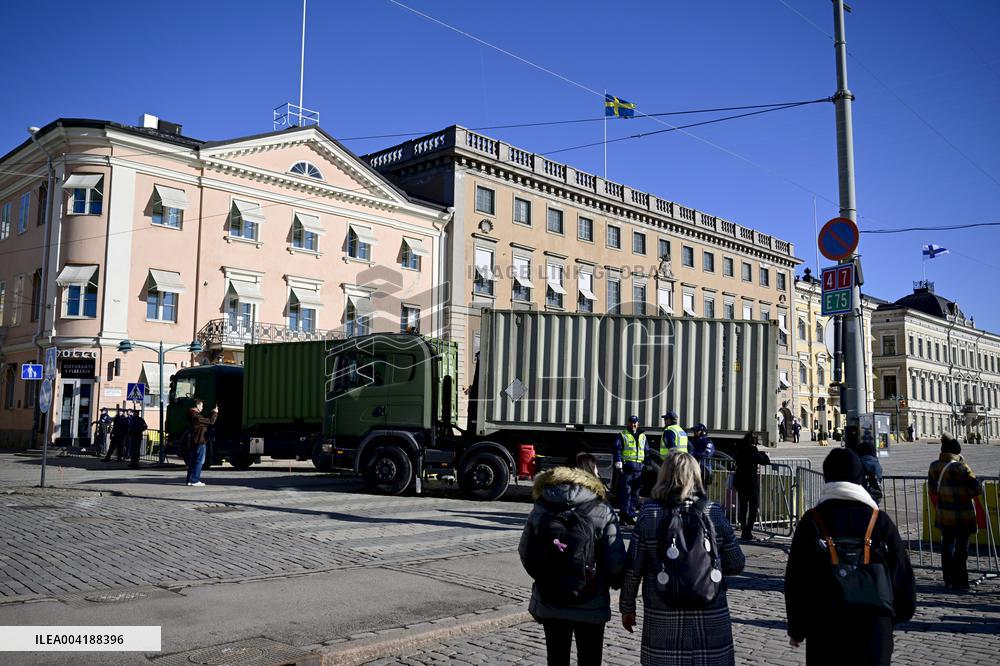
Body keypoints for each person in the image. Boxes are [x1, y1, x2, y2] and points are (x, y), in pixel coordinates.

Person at [785, 448, 916, 665]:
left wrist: (797, 629)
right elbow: (902, 575)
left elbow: (796, 580)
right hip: (874, 627)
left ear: (827, 478)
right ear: (859, 478)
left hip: (826, 627)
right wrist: (892, 618)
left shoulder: (812, 520)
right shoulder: (879, 520)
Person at [620, 452, 745, 666]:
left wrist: (627, 607)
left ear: (664, 476)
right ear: (696, 476)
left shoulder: (650, 513)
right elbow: (736, 563)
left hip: (663, 617)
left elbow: (634, 568)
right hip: (710, 618)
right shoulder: (713, 512)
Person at [519, 455, 626, 666]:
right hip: (591, 600)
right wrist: (611, 582)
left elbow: (526, 553)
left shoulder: (541, 506)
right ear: (589, 474)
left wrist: (547, 577)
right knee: (590, 659)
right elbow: (616, 562)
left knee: (556, 659)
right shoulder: (602, 509)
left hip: (551, 599)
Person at [928, 434, 983, 591]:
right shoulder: (962, 467)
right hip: (962, 516)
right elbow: (976, 489)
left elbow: (932, 489)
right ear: (957, 452)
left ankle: (948, 578)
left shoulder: (934, 466)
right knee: (961, 549)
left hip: (944, 514)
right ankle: (960, 579)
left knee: (947, 546)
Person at [733, 432, 770, 541]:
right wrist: (764, 455)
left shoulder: (740, 449)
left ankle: (744, 530)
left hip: (740, 483)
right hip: (750, 483)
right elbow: (764, 461)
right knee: (753, 508)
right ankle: (748, 531)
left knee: (743, 508)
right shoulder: (752, 450)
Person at [613, 415, 647, 525]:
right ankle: (623, 517)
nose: (633, 424)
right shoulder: (622, 435)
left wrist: (647, 463)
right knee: (625, 494)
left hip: (639, 469)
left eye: (635, 422)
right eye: (631, 422)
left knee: (635, 494)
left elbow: (646, 450)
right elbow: (617, 450)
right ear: (628, 423)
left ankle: (630, 516)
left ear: (638, 424)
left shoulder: (643, 436)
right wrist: (618, 464)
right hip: (627, 469)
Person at [186, 400, 218, 487]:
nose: (202, 407)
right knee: (199, 461)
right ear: (197, 405)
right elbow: (211, 421)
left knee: (192, 461)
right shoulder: (196, 417)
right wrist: (215, 413)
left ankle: (189, 480)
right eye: (202, 405)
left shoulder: (191, 415)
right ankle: (195, 480)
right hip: (200, 441)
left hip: (193, 441)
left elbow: (205, 421)